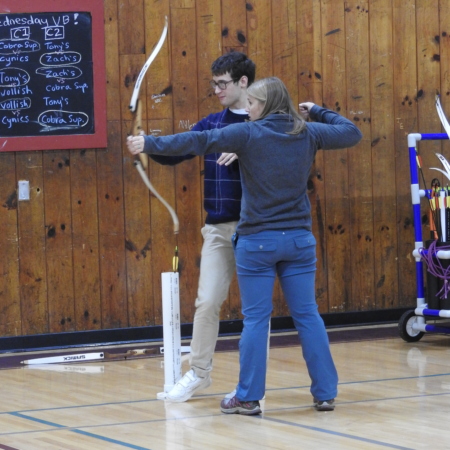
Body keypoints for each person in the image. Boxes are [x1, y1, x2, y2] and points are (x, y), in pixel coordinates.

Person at [127, 77, 362, 415]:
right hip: (298, 241)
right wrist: (319, 111)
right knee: (308, 316)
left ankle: (248, 398)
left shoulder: (248, 134)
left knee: (256, 320)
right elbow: (351, 132)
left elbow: (198, 141)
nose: (247, 109)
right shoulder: (308, 131)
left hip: (258, 243)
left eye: (252, 103)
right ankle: (325, 393)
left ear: (265, 105)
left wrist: (149, 143)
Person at [148, 52, 256, 402]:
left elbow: (290, 154)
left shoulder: (268, 123)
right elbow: (179, 147)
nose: (217, 90)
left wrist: (247, 150)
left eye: (223, 83)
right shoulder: (211, 125)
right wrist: (147, 146)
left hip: (259, 228)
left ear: (243, 82)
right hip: (219, 229)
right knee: (207, 301)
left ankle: (254, 384)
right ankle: (198, 373)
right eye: (214, 84)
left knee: (256, 310)